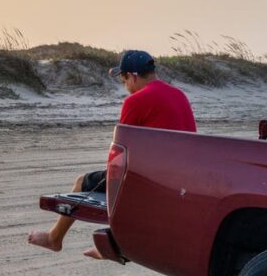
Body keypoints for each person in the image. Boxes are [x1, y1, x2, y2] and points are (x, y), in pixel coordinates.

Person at [27, 49, 196, 258]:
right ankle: (112, 245)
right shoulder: (179, 95)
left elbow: (120, 152)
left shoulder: (136, 101)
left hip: (155, 179)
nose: (124, 86)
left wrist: (112, 177)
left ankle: (55, 239)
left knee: (84, 182)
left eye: (123, 79)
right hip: (185, 175)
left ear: (132, 77)